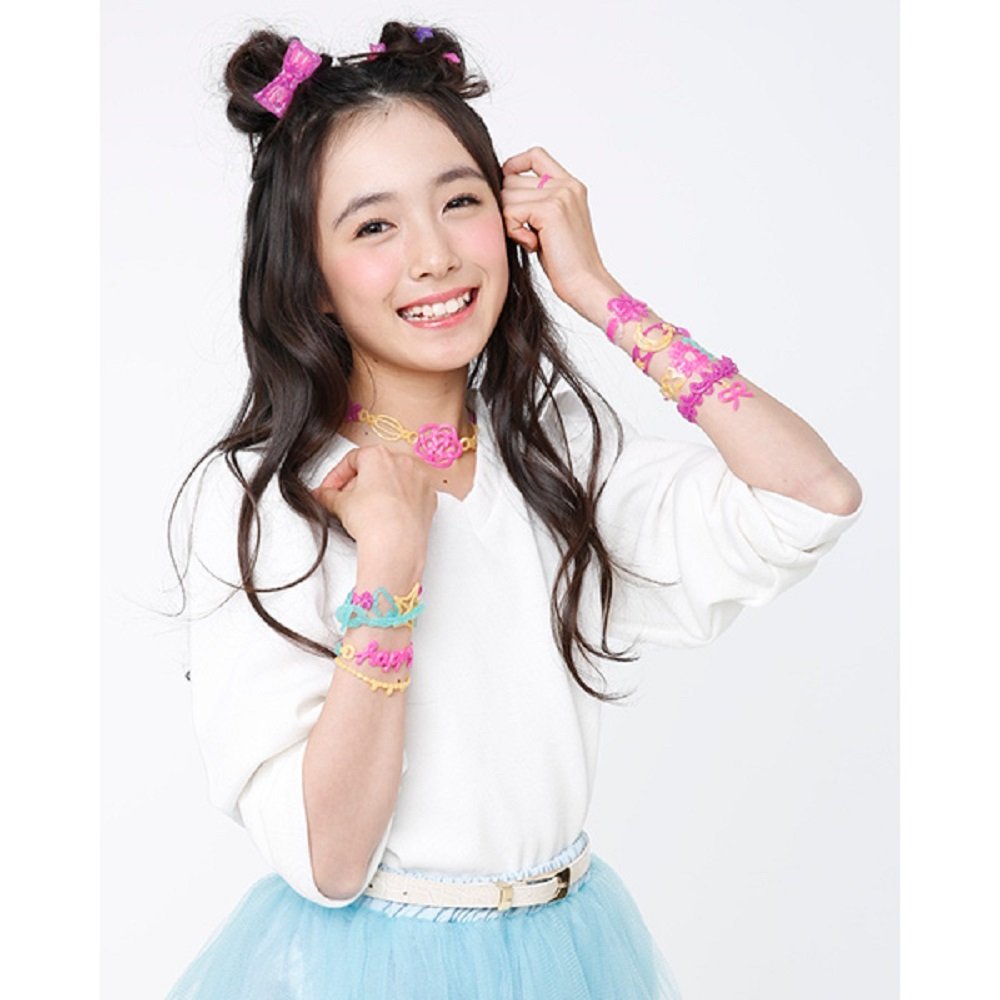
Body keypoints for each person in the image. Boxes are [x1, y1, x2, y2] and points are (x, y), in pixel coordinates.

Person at [165, 19, 863, 1000]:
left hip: (568, 949)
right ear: (309, 277)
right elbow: (331, 860)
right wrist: (392, 561)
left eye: (460, 202)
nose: (434, 257)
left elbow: (813, 498)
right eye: (373, 226)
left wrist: (598, 291)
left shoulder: (553, 457)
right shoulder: (264, 498)